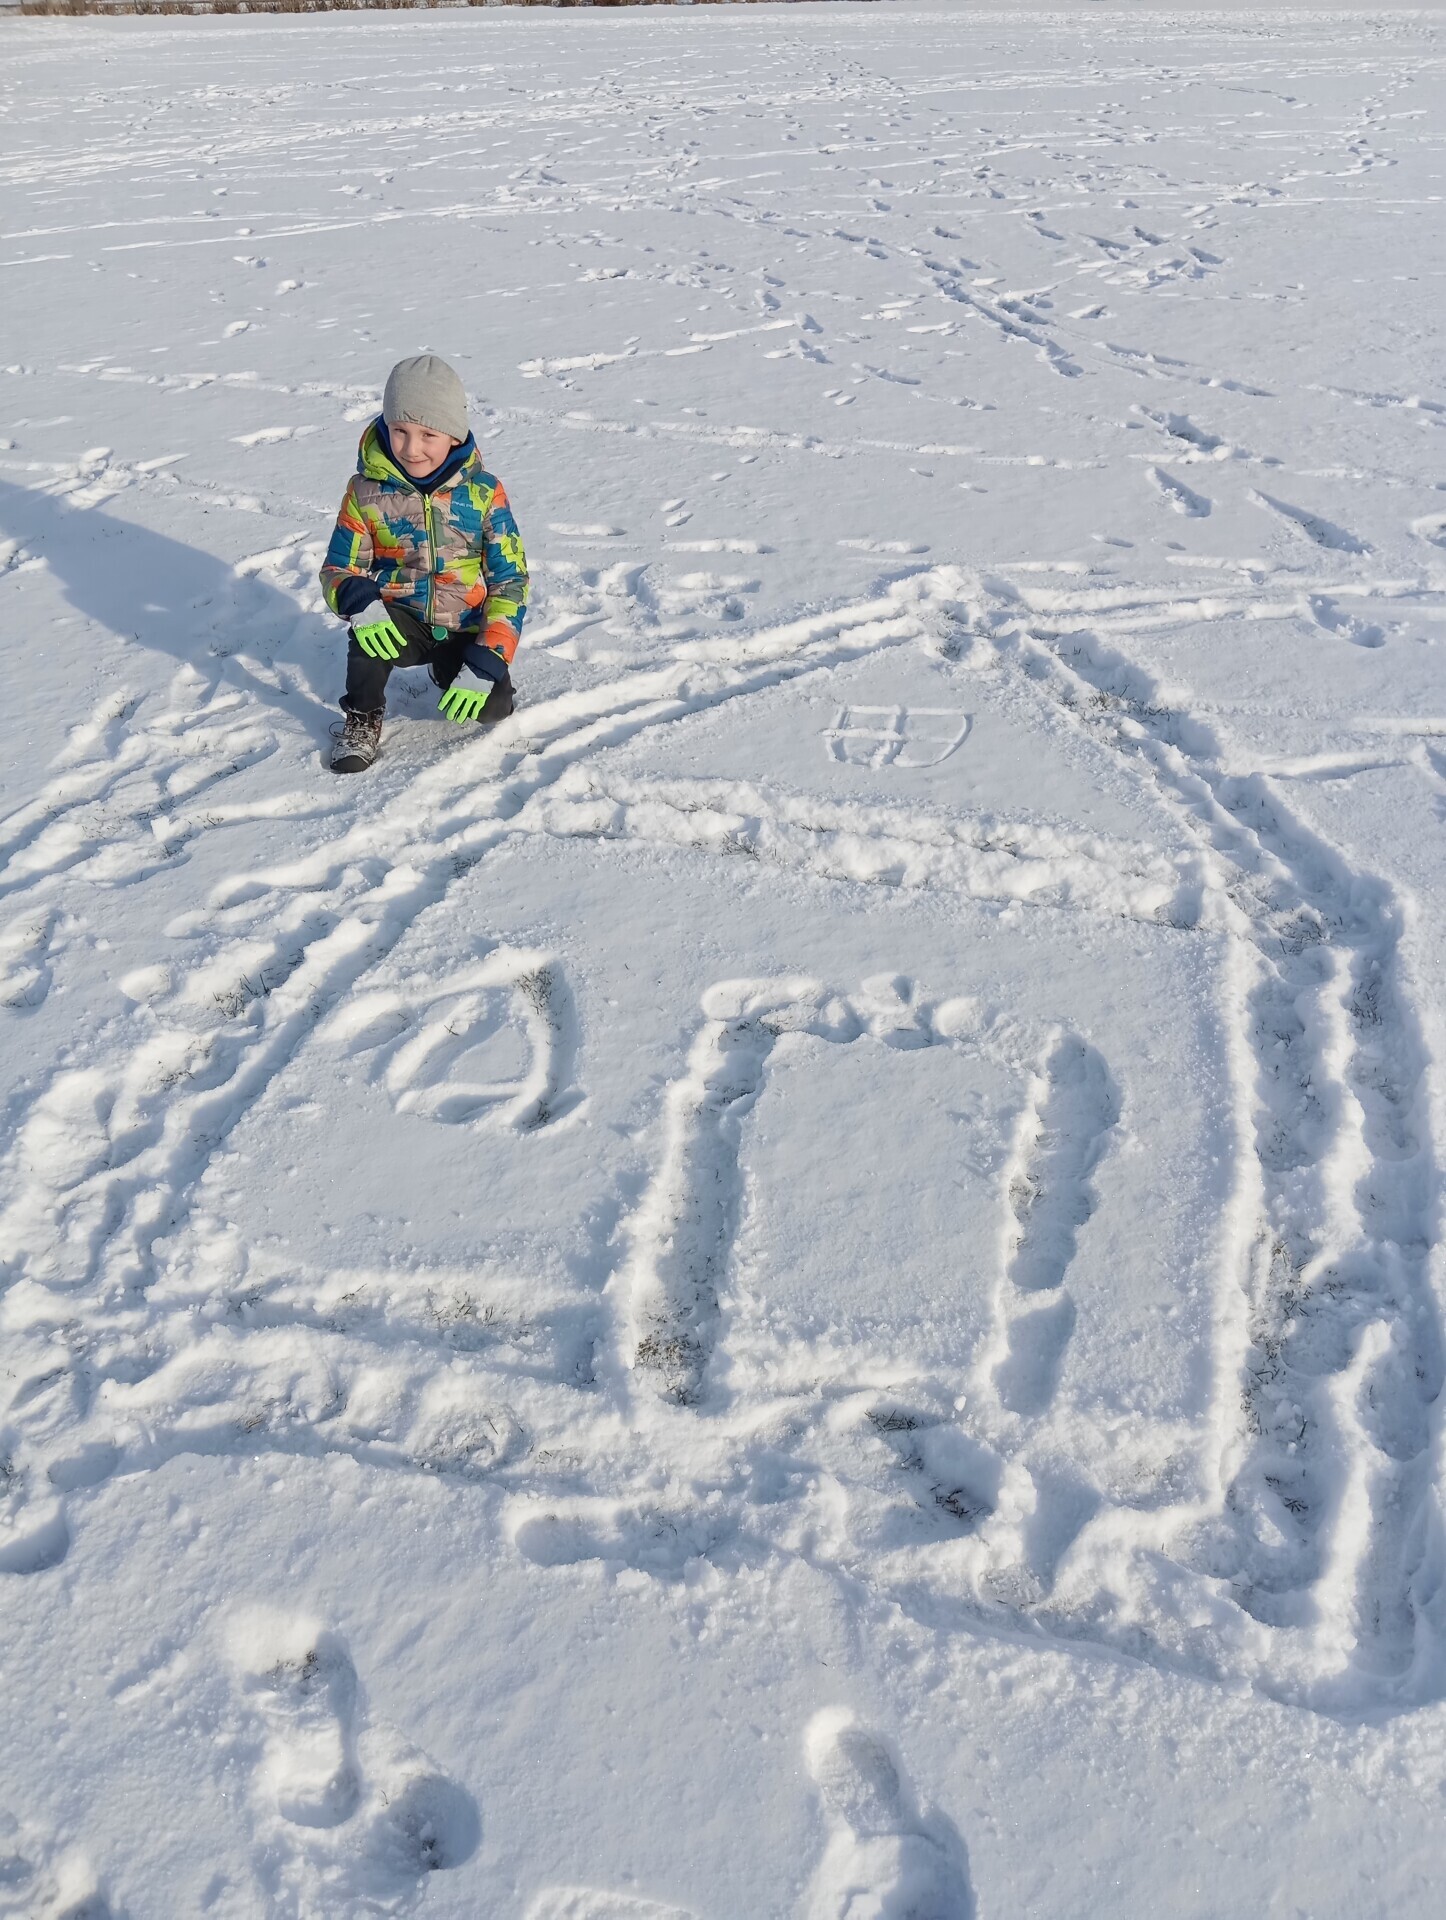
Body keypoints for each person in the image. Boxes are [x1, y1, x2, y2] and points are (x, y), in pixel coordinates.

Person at [319, 353, 529, 773]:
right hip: (401, 620)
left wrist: (490, 656)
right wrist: (359, 601)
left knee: (494, 709)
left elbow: (510, 580)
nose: (411, 448)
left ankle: (449, 671)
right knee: (368, 638)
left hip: (463, 624)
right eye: (399, 430)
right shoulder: (365, 492)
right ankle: (362, 717)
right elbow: (338, 568)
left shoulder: (484, 494)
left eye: (428, 434)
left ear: (454, 435)